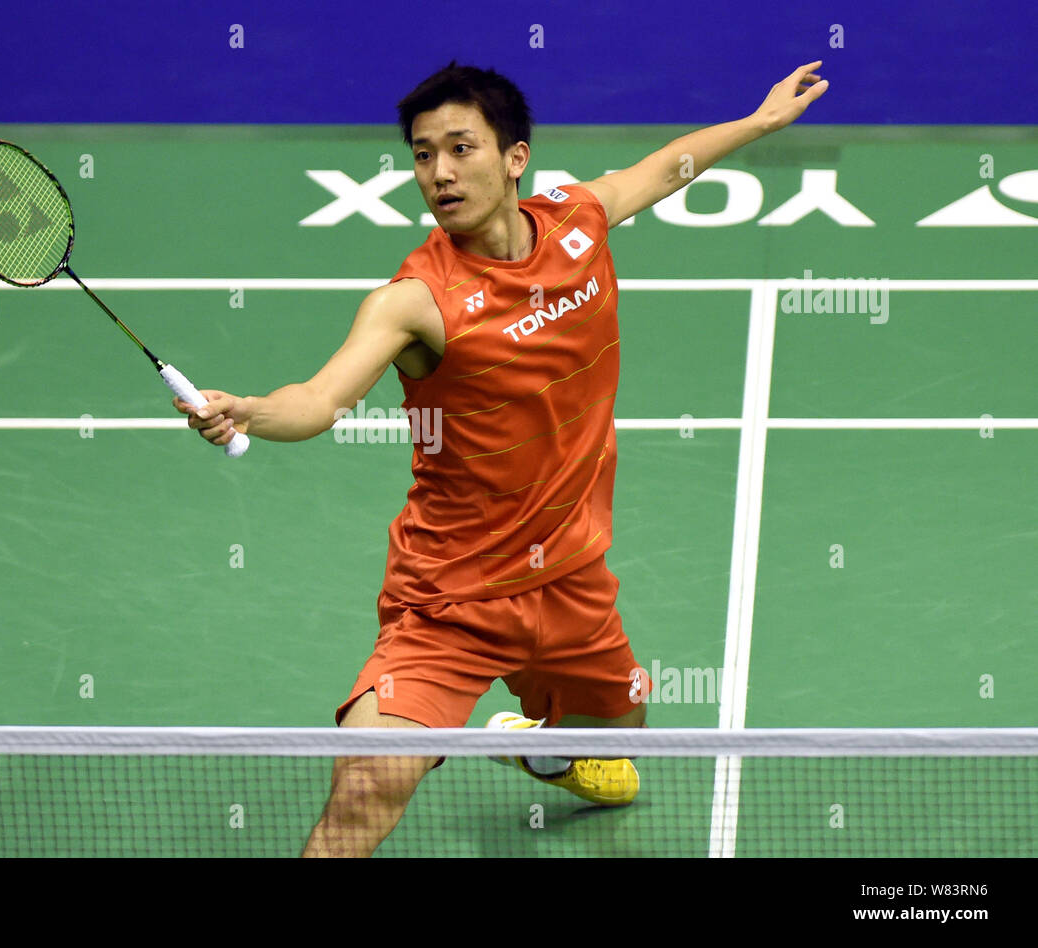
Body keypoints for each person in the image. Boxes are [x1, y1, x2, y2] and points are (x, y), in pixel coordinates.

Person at [176, 60, 828, 857]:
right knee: (368, 784)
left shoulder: (579, 221)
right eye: (422, 155)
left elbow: (663, 169)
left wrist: (758, 124)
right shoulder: (413, 300)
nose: (440, 173)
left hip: (572, 581)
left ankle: (541, 746)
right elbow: (320, 401)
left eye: (460, 148)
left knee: (622, 740)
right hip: (452, 597)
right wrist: (250, 410)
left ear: (515, 157)